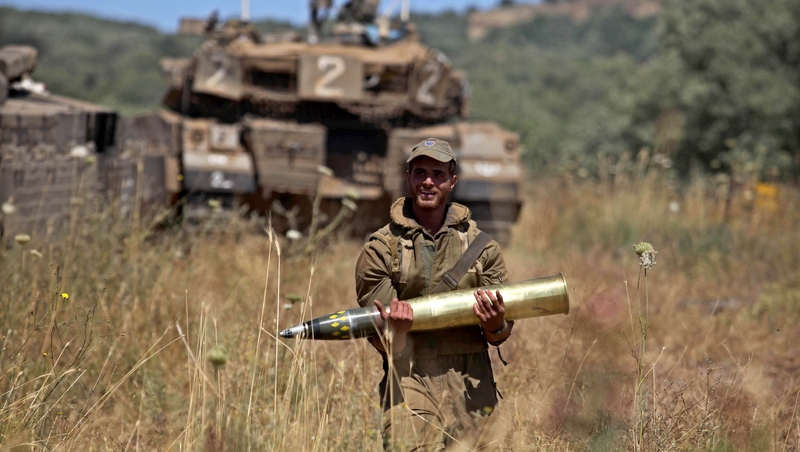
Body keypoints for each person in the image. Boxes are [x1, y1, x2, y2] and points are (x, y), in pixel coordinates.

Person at [355, 138, 513, 451]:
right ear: (408, 177)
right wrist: (394, 331)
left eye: (438, 174)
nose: (428, 181)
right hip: (408, 376)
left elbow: (500, 335)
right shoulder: (380, 248)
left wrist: (495, 324)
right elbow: (380, 340)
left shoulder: (484, 248)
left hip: (471, 381)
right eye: (420, 173)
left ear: (452, 181)